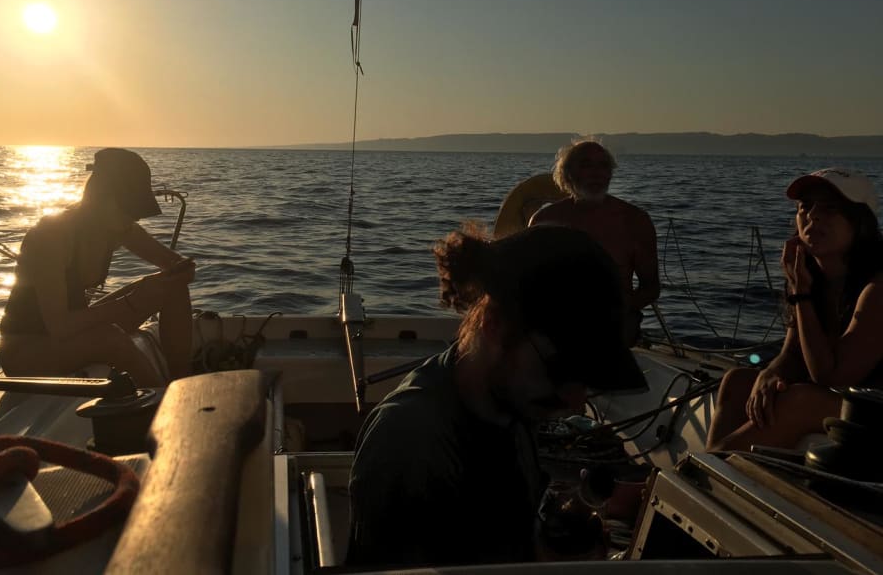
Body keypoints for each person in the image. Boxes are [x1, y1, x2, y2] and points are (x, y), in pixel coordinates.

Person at [345, 224, 647, 568]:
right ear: (495, 323)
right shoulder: (411, 444)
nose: (575, 401)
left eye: (588, 380)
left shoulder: (508, 407)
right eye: (561, 370)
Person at [707, 168, 883, 452]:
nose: (812, 215)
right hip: (850, 400)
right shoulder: (811, 277)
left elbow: (831, 376)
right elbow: (792, 353)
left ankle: (705, 475)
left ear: (859, 222)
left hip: (873, 407)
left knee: (800, 401)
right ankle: (717, 475)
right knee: (739, 381)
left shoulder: (877, 287)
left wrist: (801, 293)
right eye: (805, 207)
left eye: (830, 208)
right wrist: (771, 372)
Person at [0, 148, 196, 388]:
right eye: (128, 208)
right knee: (111, 339)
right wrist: (131, 302)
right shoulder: (52, 236)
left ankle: (181, 384)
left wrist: (181, 269)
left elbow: (170, 262)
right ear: (100, 199)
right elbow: (59, 326)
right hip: (27, 350)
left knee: (173, 287)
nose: (134, 218)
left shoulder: (117, 227)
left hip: (75, 334)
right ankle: (162, 404)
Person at [529, 138, 660, 346]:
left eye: (603, 165)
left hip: (613, 323)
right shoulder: (544, 221)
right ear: (567, 173)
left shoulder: (635, 221)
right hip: (555, 322)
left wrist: (616, 307)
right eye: (586, 165)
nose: (596, 173)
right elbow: (530, 283)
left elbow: (651, 287)